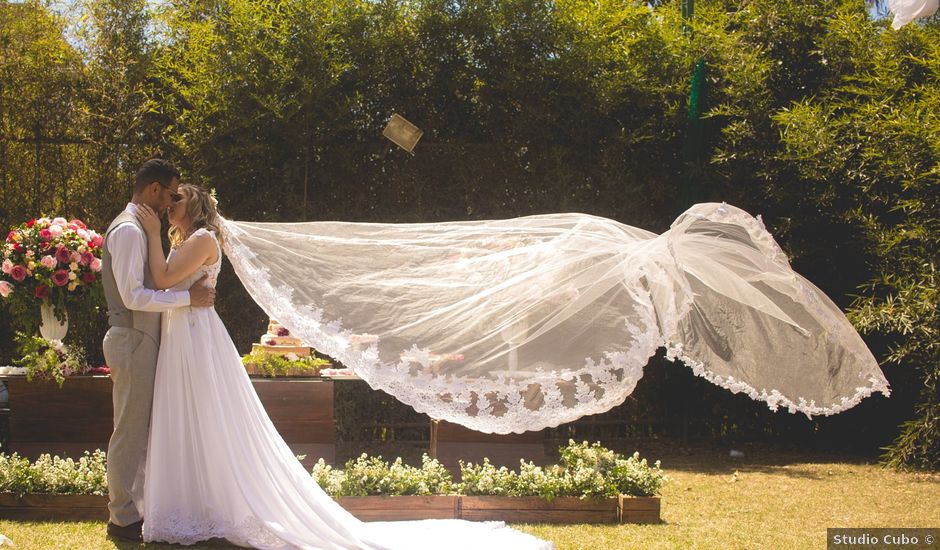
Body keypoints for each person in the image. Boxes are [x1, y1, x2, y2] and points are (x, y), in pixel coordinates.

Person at [134, 184, 554, 549]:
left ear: (199, 205)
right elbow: (163, 279)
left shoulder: (204, 238)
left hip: (196, 335)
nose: (172, 202)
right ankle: (192, 505)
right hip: (181, 332)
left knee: (207, 416)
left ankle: (218, 505)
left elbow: (164, 278)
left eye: (180, 197)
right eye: (170, 197)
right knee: (186, 416)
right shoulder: (184, 239)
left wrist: (152, 231)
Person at [101, 159, 216, 542]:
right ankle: (121, 519)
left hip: (142, 339)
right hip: (133, 338)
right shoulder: (130, 231)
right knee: (129, 431)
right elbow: (134, 296)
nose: (170, 203)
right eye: (169, 194)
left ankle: (136, 508)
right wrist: (186, 299)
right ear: (153, 189)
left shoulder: (141, 229)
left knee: (138, 430)